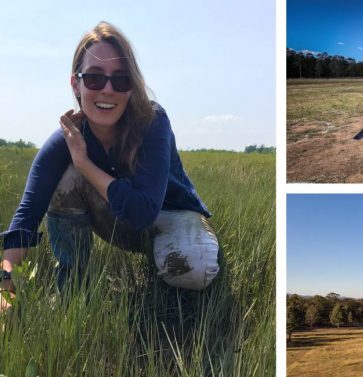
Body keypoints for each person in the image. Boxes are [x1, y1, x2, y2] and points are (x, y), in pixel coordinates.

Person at [0, 21, 219, 312]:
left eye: (121, 79)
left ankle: (177, 265)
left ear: (132, 87)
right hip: (124, 221)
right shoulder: (68, 139)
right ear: (75, 84)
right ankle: (72, 290)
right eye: (94, 78)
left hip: (173, 214)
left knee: (194, 271)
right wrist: (5, 284)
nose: (107, 90)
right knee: (64, 181)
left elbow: (144, 211)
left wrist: (84, 163)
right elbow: (28, 214)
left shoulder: (152, 122)